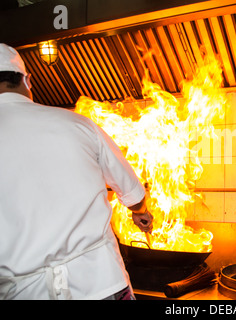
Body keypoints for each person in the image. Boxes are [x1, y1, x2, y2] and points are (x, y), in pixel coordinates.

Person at [0, 43, 153, 300]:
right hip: (101, 285)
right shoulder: (78, 123)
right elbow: (133, 194)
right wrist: (141, 213)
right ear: (28, 80)